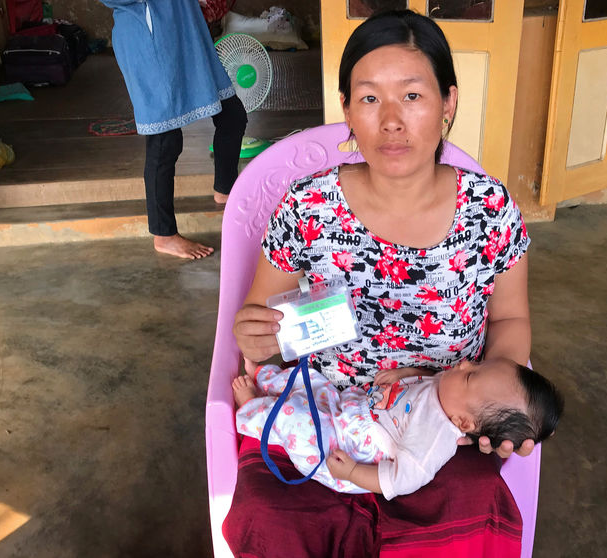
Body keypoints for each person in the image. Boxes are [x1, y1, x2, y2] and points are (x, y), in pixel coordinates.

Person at [225, 9, 535, 556]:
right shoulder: (307, 206)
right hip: (322, 411)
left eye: (413, 96)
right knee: (267, 516)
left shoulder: (490, 210)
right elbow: (259, 323)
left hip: (440, 424)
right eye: (369, 98)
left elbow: (509, 320)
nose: (392, 120)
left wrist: (497, 398)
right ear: (346, 109)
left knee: (473, 512)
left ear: (448, 104)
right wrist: (256, 335)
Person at [232, 358, 563, 499]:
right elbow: (424, 383)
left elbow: (400, 481)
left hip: (346, 445)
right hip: (351, 406)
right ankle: (264, 376)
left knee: (296, 420)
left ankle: (251, 409)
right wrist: (405, 373)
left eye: (470, 374)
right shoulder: (450, 393)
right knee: (312, 383)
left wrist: (352, 473)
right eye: (477, 365)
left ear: (463, 424)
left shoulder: (434, 438)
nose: (464, 364)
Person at [100, 0, 248, 259]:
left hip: (186, 33)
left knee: (232, 115)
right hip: (150, 38)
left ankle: (225, 190)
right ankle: (164, 235)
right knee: (164, 141)